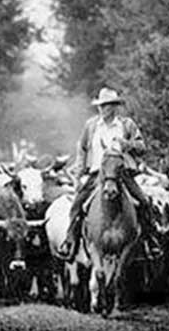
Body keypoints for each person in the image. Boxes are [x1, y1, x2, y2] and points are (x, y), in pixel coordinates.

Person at [56, 87, 161, 260]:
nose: (102, 109)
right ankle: (70, 241)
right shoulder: (91, 126)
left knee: (143, 201)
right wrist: (78, 175)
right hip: (97, 173)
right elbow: (82, 149)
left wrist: (126, 144)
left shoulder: (127, 125)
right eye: (100, 106)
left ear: (114, 107)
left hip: (122, 173)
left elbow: (142, 147)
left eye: (106, 106)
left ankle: (150, 240)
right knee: (77, 204)